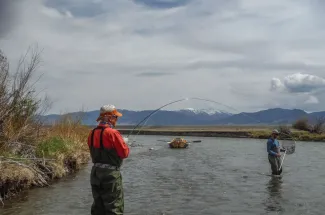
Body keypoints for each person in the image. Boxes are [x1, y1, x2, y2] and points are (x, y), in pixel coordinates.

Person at [88, 104, 130, 215]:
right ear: (109, 117)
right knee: (114, 207)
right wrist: (124, 143)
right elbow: (124, 153)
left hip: (95, 173)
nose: (116, 119)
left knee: (98, 207)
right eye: (115, 117)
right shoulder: (113, 133)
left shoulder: (92, 133)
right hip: (110, 175)